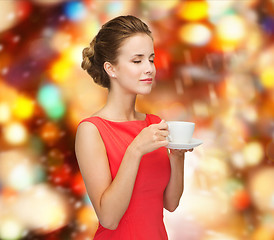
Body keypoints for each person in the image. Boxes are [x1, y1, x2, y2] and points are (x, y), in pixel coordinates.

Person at [75, 15, 192, 240]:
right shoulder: (92, 130)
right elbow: (108, 218)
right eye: (137, 61)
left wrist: (177, 157)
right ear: (111, 69)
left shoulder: (153, 124)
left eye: (151, 59)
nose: (149, 68)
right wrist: (135, 150)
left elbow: (170, 203)